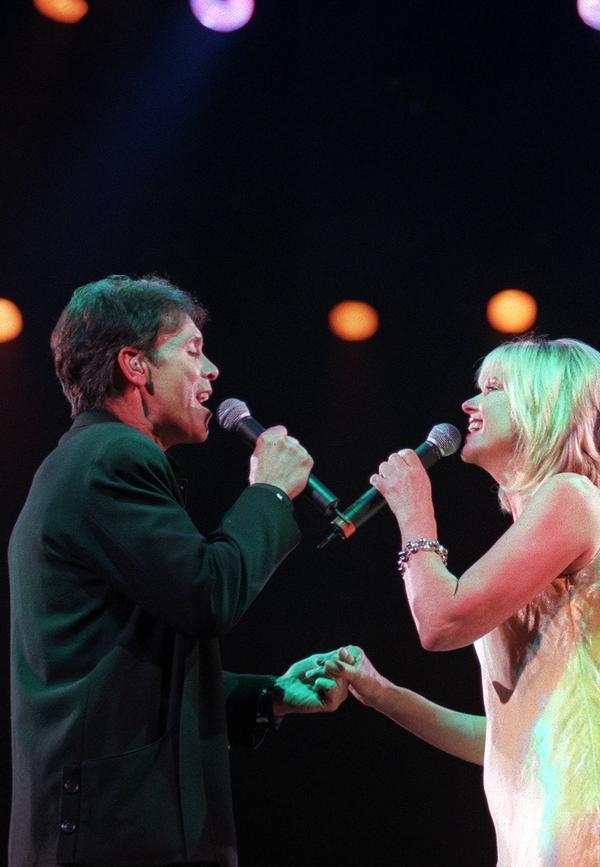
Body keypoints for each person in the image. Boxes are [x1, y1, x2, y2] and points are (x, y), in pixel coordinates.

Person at [8, 274, 347, 867]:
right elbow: (208, 594)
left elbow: (125, 666)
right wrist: (268, 492)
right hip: (112, 835)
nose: (211, 370)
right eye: (192, 351)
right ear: (135, 366)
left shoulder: (89, 460)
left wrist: (269, 697)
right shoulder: (112, 458)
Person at [326, 337, 600, 865]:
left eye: (493, 389)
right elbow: (508, 740)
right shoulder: (546, 520)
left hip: (588, 801)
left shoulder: (571, 497)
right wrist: (383, 694)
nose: (469, 406)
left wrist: (414, 511)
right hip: (543, 807)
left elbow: (440, 622)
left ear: (545, 406)